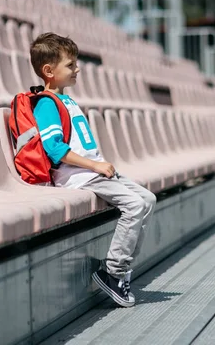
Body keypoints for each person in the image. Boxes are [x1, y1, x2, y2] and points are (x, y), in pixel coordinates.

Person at [30, 32, 156, 307]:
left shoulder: (68, 101)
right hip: (78, 176)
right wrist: (95, 165)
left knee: (148, 199)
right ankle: (114, 271)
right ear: (48, 71)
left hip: (95, 172)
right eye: (71, 65)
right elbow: (54, 149)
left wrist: (99, 166)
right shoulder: (47, 104)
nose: (78, 68)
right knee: (134, 205)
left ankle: (119, 270)